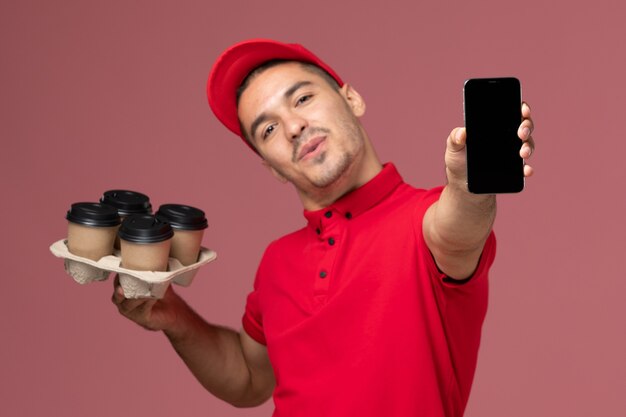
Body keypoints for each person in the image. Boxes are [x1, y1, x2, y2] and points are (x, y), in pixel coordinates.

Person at [112, 39, 535, 417]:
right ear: (270, 166)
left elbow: (459, 226)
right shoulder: (276, 261)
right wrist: (174, 317)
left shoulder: (424, 221)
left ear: (351, 98)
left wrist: (468, 186)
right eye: (269, 129)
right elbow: (247, 378)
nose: (294, 127)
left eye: (302, 98)